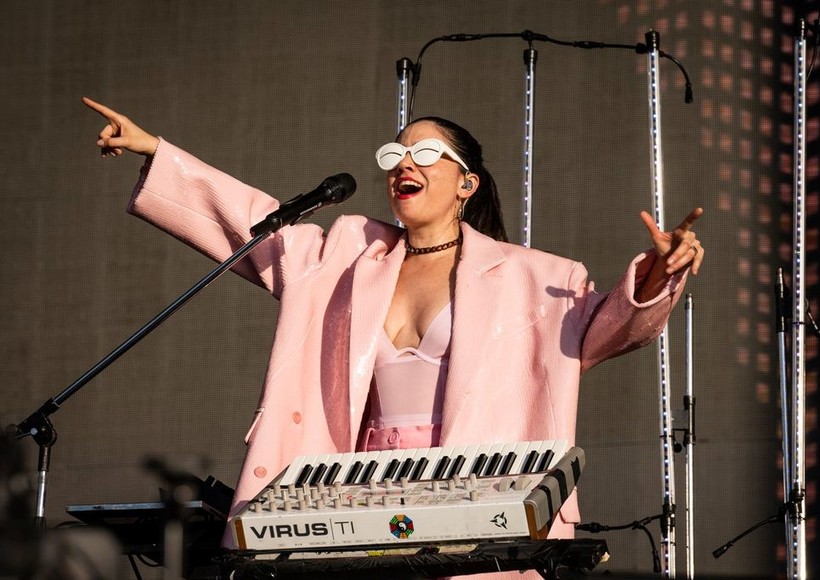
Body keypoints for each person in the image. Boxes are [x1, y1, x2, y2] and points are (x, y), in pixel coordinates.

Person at [83, 97, 705, 578]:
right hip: (360, 492)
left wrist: (657, 272)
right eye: (395, 154)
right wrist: (156, 153)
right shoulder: (343, 260)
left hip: (477, 491)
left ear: (468, 183)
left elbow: (609, 329)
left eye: (427, 154)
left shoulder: (533, 277)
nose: (405, 163)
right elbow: (254, 225)